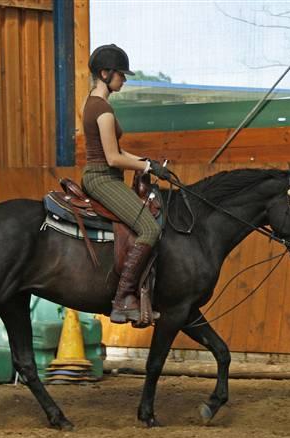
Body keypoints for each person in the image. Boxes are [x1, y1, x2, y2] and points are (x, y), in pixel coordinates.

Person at [81, 44, 171, 325]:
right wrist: (145, 166)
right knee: (149, 228)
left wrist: (148, 162)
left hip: (103, 174)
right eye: (121, 74)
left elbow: (118, 153)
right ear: (105, 73)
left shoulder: (91, 103)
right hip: (102, 178)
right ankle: (122, 298)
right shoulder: (103, 110)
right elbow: (112, 157)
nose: (125, 79)